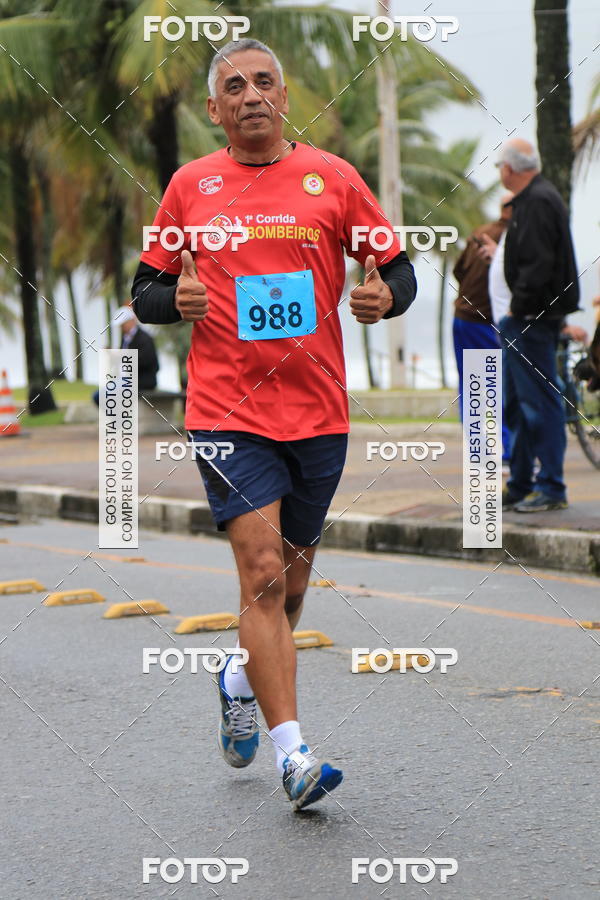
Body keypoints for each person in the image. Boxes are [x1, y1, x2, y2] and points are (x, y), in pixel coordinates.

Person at [131, 39, 417, 810]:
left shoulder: (334, 178)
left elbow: (397, 268)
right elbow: (147, 291)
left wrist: (384, 297)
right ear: (216, 108)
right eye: (234, 86)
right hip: (226, 410)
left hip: (318, 409)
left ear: (284, 98)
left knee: (289, 585)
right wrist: (175, 303)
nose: (251, 94)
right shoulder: (191, 186)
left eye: (264, 82)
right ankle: (295, 756)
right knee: (259, 572)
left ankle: (236, 675)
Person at [495, 138, 581, 512]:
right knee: (517, 404)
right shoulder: (532, 200)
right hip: (524, 320)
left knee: (540, 405)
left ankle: (551, 486)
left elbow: (538, 263)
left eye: (500, 165)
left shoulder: (538, 201)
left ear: (510, 169)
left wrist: (520, 308)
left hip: (531, 320)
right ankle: (522, 483)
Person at [453, 195, 513, 461]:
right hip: (485, 321)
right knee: (496, 386)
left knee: (471, 387)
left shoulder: (481, 232)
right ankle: (505, 449)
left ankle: (479, 448)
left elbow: (458, 271)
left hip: (463, 316)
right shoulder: (513, 238)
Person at [92, 305, 159, 404]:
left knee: (101, 396)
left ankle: (117, 418)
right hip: (126, 380)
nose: (122, 327)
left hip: (142, 381)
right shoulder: (126, 338)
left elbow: (147, 362)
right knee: (100, 395)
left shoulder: (145, 339)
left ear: (131, 321)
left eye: (123, 324)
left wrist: (121, 356)